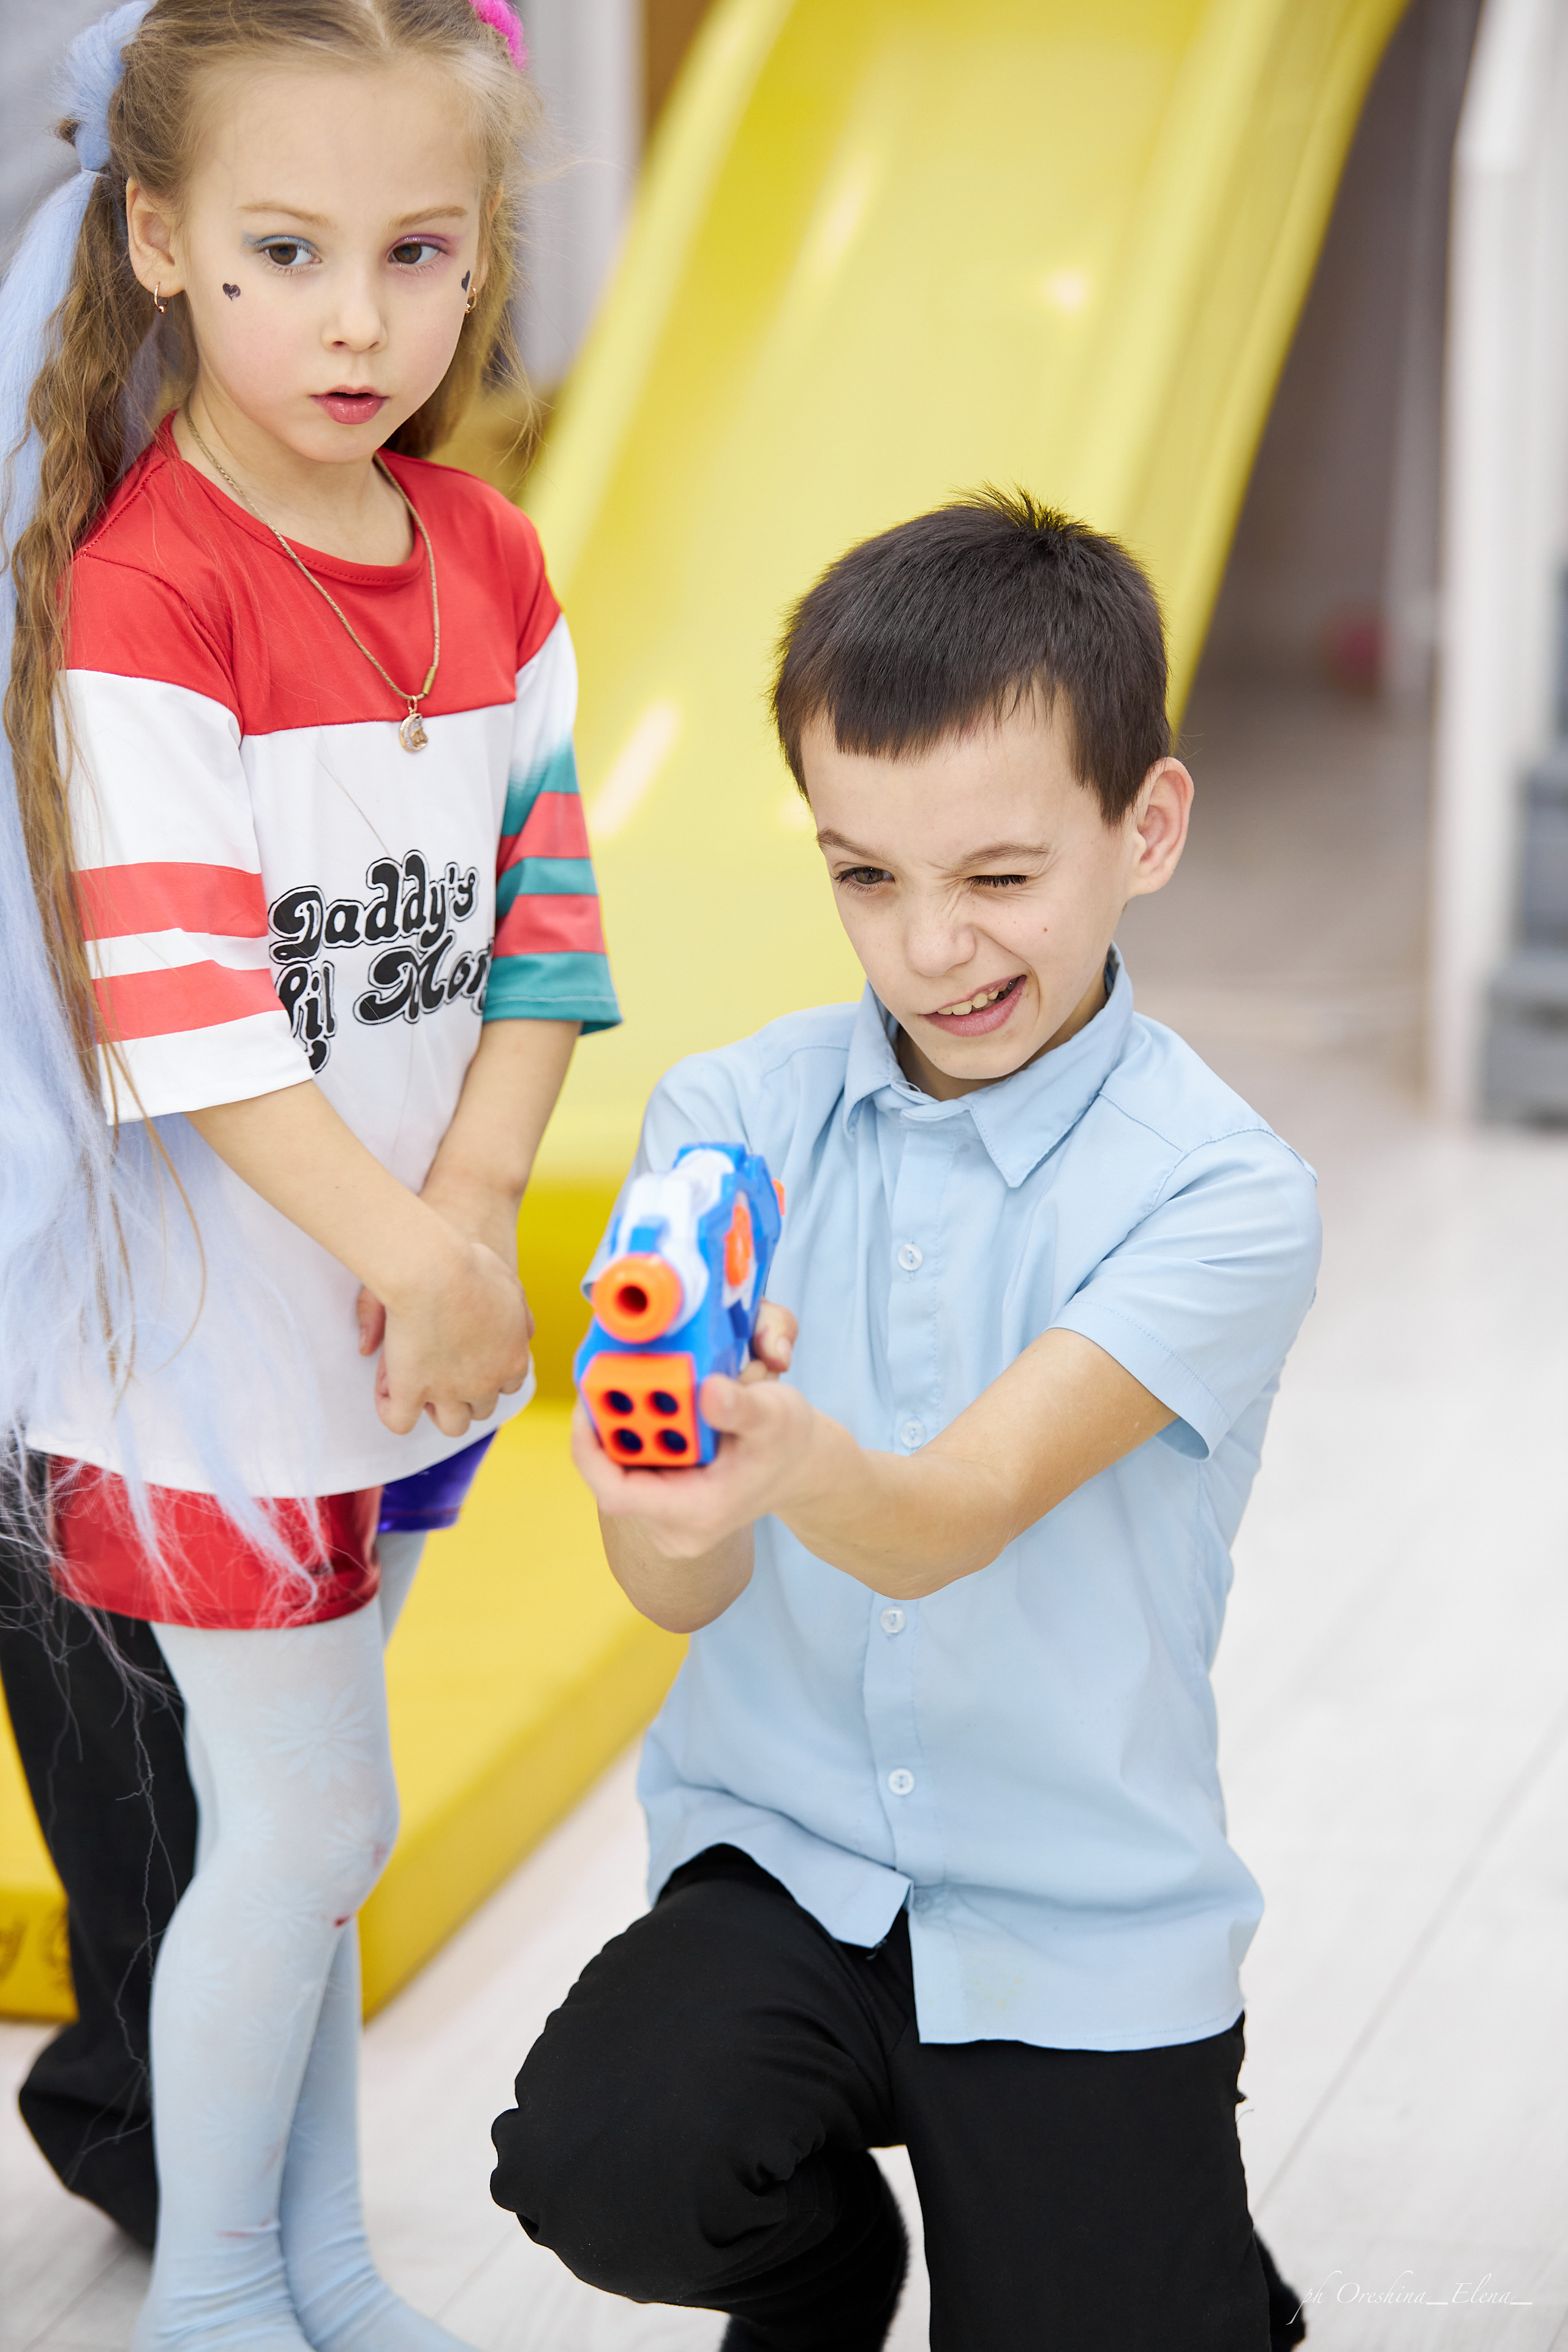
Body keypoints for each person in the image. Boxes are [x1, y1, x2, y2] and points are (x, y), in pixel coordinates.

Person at [490, 492, 1319, 2351]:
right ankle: (826, 2272)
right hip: (786, 1864)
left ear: (1147, 829)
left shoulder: (1221, 1194)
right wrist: (675, 1504)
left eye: (999, 877)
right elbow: (676, 1599)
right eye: (865, 875)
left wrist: (786, 1455)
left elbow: (958, 1510)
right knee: (607, 2154)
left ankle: (1192, 2275)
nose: (931, 946)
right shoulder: (734, 1113)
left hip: (1074, 1919)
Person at [0, 7, 618, 2352]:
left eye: (415, 251)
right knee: (310, 1827)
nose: (355, 317)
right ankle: (221, 2291)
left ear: (478, 265)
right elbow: (185, 1024)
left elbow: (547, 931)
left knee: (310, 1824)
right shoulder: (150, 592)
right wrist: (411, 1252)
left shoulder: (493, 557)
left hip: (380, 1308)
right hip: (212, 1349)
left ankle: (320, 2266)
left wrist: (467, 1217)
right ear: (157, 242)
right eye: (283, 251)